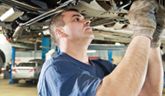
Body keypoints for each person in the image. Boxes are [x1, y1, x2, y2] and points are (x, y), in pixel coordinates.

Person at [37, 0, 164, 96]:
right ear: (60, 32)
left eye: (84, 18)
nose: (87, 21)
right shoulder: (55, 69)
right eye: (76, 19)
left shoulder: (103, 66)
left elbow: (150, 92)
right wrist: (143, 30)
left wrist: (154, 42)